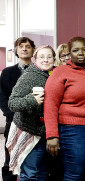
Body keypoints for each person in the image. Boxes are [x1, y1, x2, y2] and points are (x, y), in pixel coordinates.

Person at [44, 36, 85, 181]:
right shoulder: (60, 72)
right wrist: (52, 135)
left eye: (84, 50)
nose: (81, 53)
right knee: (75, 175)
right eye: (76, 50)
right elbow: (50, 104)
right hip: (74, 130)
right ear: (69, 53)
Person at [6, 45, 55, 180]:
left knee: (42, 172)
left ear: (54, 59)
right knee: (30, 173)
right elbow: (12, 103)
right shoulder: (29, 76)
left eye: (49, 57)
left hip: (45, 132)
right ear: (35, 59)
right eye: (41, 57)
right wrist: (31, 100)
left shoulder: (54, 74)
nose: (45, 60)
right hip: (28, 131)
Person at [0, 37, 35, 181]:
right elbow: (3, 98)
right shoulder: (8, 72)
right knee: (11, 158)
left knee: (33, 157)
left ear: (33, 50)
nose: (25, 49)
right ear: (16, 51)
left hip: (35, 122)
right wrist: (12, 116)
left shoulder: (40, 71)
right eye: (21, 46)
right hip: (13, 121)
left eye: (28, 46)